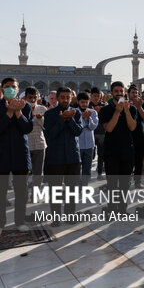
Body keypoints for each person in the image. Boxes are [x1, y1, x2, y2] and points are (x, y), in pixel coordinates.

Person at [43, 86, 82, 226]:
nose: (65, 100)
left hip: (73, 156)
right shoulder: (50, 114)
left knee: (72, 189)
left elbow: (78, 131)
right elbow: (50, 135)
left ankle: (70, 215)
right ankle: (56, 217)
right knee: (55, 190)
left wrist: (70, 119)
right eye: (62, 97)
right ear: (58, 98)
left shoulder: (76, 113)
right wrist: (61, 120)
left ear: (71, 98)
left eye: (68, 97)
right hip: (55, 157)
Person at [99, 81, 137, 214]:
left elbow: (132, 127)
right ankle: (111, 208)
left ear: (124, 92)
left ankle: (122, 209)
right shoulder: (105, 110)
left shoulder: (132, 109)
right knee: (112, 183)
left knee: (125, 183)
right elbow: (109, 128)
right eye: (116, 91)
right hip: (111, 150)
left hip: (127, 150)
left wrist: (126, 111)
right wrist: (117, 111)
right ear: (111, 93)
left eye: (121, 91)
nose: (119, 94)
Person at [0, 78, 33, 234]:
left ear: (18, 89)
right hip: (2, 155)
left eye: (13, 87)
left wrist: (18, 111)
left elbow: (27, 128)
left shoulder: (25, 107)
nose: (10, 89)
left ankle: (19, 221)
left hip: (20, 154)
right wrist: (9, 112)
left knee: (21, 192)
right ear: (2, 89)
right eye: (7, 87)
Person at [24, 87, 46, 187]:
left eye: (35, 98)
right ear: (25, 97)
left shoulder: (42, 109)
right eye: (30, 98)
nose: (32, 100)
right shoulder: (21, 108)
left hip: (39, 144)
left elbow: (46, 127)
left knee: (38, 172)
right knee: (24, 171)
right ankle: (23, 193)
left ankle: (35, 192)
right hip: (25, 144)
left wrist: (40, 119)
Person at [76, 92, 99, 186]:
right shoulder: (75, 112)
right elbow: (75, 126)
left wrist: (89, 118)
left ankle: (84, 184)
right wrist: (82, 118)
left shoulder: (93, 112)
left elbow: (93, 127)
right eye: (82, 102)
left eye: (86, 102)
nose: (84, 104)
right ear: (78, 102)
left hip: (89, 144)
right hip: (78, 144)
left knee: (87, 166)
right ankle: (77, 184)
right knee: (77, 166)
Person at [128, 85, 144, 189]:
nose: (135, 95)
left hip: (140, 135)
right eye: (133, 92)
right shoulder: (123, 103)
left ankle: (137, 181)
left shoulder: (142, 103)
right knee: (128, 160)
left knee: (139, 160)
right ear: (128, 94)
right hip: (127, 136)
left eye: (136, 93)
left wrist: (139, 107)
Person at [89, 87, 107, 180]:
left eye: (98, 96)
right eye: (94, 96)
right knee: (90, 155)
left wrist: (100, 112)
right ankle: (87, 173)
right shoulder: (87, 106)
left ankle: (99, 173)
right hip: (90, 133)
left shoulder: (104, 106)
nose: (96, 98)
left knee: (101, 154)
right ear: (91, 96)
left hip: (101, 133)